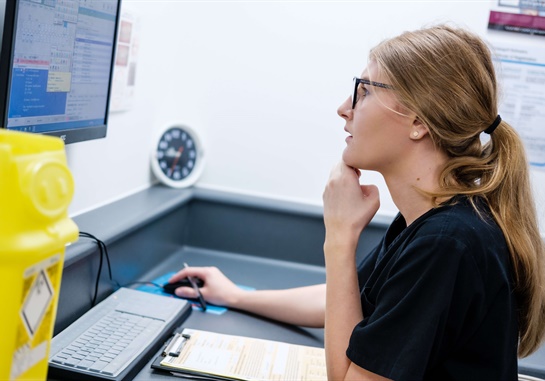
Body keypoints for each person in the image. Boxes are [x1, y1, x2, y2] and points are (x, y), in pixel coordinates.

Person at [168, 24, 545, 380]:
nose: (343, 107)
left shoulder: (446, 243)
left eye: (363, 90)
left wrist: (340, 236)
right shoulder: (432, 221)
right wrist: (234, 295)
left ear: (419, 120)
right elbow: (346, 302)